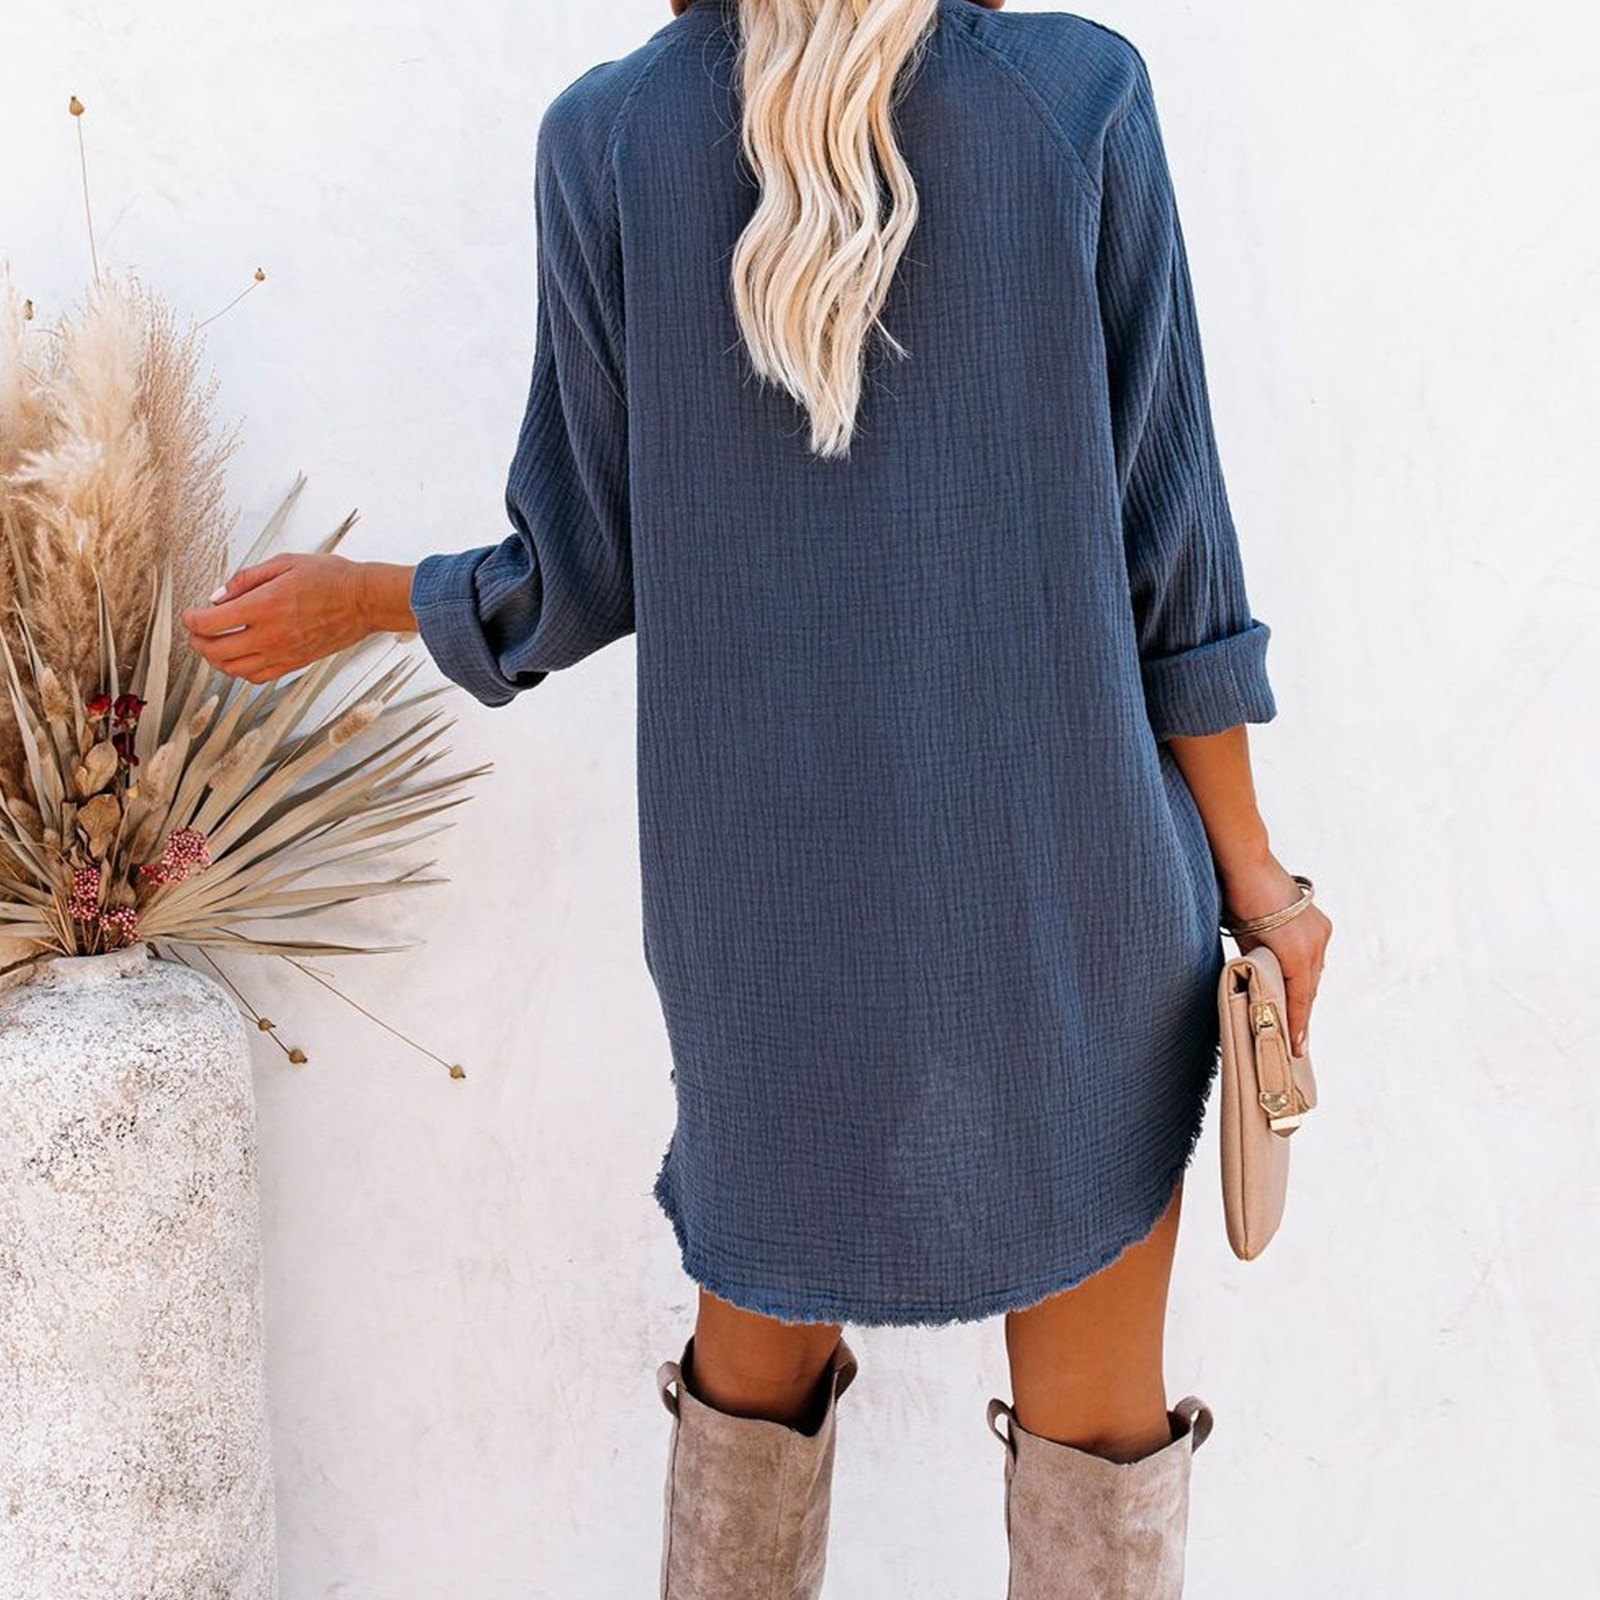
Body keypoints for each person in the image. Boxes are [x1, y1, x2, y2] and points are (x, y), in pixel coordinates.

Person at [181, 1, 1334, 1594]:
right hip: (1071, 901)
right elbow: (1176, 557)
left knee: (752, 1387)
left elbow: (575, 571)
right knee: (1096, 1441)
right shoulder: (1073, 100)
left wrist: (368, 599)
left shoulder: (612, 137)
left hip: (766, 928)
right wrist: (1263, 885)